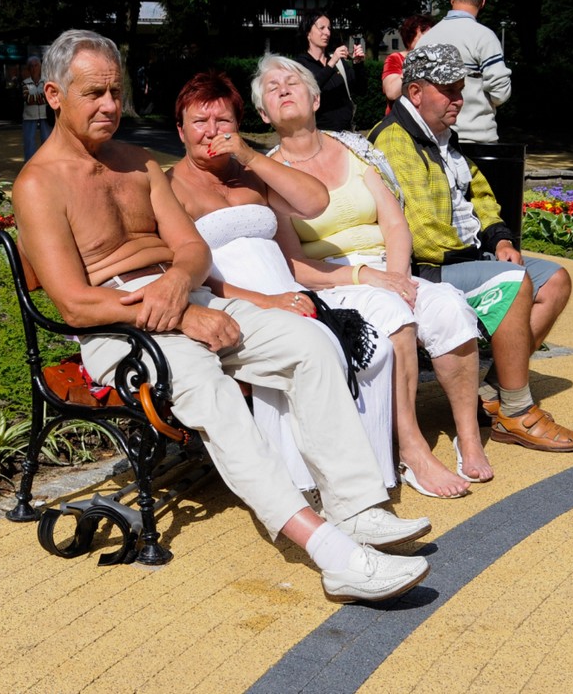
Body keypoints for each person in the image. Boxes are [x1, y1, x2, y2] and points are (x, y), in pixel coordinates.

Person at [14, 28, 431, 603]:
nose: (110, 105)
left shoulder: (138, 163)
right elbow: (74, 303)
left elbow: (191, 249)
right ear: (54, 95)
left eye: (115, 91)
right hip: (117, 325)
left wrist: (180, 290)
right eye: (94, 94)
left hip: (187, 297)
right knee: (210, 391)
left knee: (311, 343)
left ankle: (356, 508)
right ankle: (332, 555)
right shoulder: (39, 184)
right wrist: (179, 315)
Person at [249, 56, 490, 496]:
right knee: (395, 318)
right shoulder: (269, 175)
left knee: (449, 308)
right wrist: (371, 279)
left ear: (315, 99)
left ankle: (468, 436)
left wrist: (397, 277)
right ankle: (411, 448)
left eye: (293, 82)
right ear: (264, 114)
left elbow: (395, 224)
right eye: (272, 87)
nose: (283, 88)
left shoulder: (353, 149)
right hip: (333, 283)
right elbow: (294, 265)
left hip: (387, 269)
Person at [164, 70, 398, 495]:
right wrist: (266, 301)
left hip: (293, 295)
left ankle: (374, 476)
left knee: (376, 350)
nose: (212, 131)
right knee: (316, 352)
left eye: (223, 120)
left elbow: (315, 201)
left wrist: (249, 156)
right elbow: (189, 273)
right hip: (238, 304)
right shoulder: (172, 188)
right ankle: (306, 485)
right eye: (200, 121)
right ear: (181, 130)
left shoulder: (250, 174)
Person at [368, 44, 573, 454]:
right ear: (415, 93)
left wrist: (499, 239)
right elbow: (424, 235)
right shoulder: (396, 141)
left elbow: (479, 193)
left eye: (460, 89)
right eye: (448, 90)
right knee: (513, 281)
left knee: (555, 280)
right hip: (425, 268)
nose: (458, 99)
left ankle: (495, 391)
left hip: (463, 257)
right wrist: (486, 260)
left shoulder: (441, 136)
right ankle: (517, 412)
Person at [416, 0, 511, 144]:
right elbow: (501, 93)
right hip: (475, 138)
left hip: (432, 140)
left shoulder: (426, 40)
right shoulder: (484, 37)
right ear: (483, 1)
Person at [294, 11, 366, 132]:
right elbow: (308, 90)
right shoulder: (301, 64)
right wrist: (331, 64)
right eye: (322, 28)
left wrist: (358, 64)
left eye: (329, 28)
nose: (327, 32)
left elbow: (361, 90)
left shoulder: (339, 62)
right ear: (308, 33)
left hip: (346, 133)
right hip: (317, 134)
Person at [382, 14, 435, 114]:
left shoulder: (435, 60)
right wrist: (416, 61)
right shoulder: (396, 58)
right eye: (424, 36)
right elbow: (391, 93)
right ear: (409, 37)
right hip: (401, 119)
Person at [21, 56, 52, 161]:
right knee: (29, 141)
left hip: (45, 115)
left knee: (47, 140)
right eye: (31, 66)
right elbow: (28, 99)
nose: (34, 68)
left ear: (40, 67)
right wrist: (42, 97)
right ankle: (30, 163)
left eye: (36, 65)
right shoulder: (25, 82)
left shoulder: (46, 82)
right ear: (29, 68)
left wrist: (36, 98)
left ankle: (47, 162)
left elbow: (49, 97)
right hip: (29, 116)